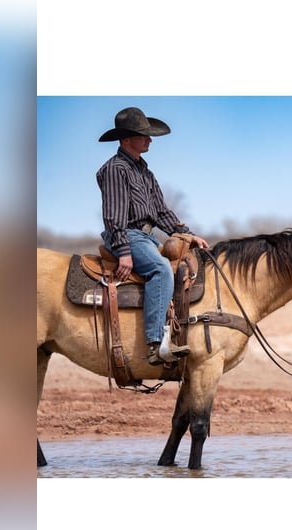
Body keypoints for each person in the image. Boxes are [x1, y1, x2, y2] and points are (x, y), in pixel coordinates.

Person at [97, 106, 209, 365]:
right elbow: (114, 216)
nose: (150, 139)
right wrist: (123, 251)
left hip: (146, 238)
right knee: (160, 269)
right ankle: (155, 344)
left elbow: (160, 212)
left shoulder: (145, 173)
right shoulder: (115, 169)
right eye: (143, 134)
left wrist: (187, 234)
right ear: (126, 139)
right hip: (126, 235)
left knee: (183, 265)